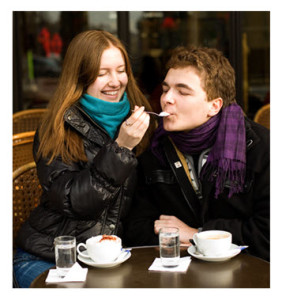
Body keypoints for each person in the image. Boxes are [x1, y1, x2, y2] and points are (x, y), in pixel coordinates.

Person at [13, 30, 155, 288]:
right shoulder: (57, 128)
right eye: (102, 74)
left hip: (110, 260)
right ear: (80, 77)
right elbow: (73, 201)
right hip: (49, 258)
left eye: (121, 70)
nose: (115, 81)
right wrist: (121, 148)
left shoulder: (140, 119)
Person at [124, 47, 270, 261]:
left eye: (182, 92)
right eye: (166, 89)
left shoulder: (260, 147)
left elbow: (269, 235)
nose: (167, 99)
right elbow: (135, 229)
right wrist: (175, 236)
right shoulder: (153, 147)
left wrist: (198, 234)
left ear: (214, 105)